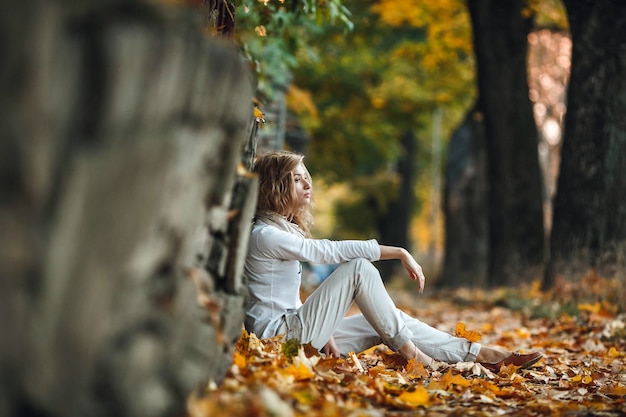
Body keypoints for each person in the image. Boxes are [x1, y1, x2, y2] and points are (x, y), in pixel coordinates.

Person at [244, 150, 542, 372]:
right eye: (296, 180)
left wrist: (323, 334)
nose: (307, 184)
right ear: (275, 187)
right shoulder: (265, 234)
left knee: (390, 318)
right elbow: (326, 252)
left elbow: (282, 299)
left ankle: (482, 356)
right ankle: (417, 357)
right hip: (277, 342)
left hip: (294, 332)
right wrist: (398, 251)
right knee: (358, 268)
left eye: (306, 177)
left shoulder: (282, 229)